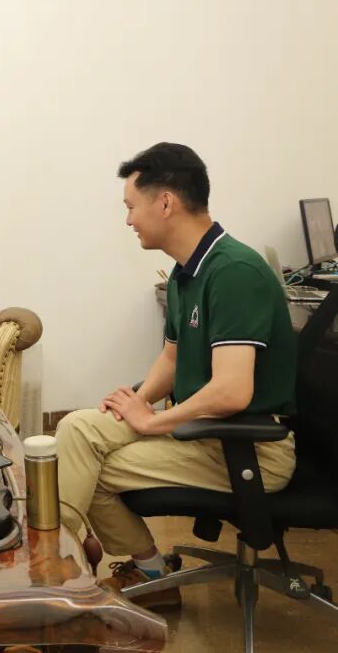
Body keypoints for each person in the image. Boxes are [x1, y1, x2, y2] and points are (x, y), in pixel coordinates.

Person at [56, 143, 297, 609]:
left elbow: (232, 391)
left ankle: (60, 568)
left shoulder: (234, 273)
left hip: (251, 448)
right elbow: (171, 358)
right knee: (76, 429)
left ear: (165, 202)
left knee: (91, 469)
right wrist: (138, 401)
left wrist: (150, 422)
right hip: (207, 432)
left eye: (131, 207)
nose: (128, 220)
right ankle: (77, 556)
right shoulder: (187, 273)